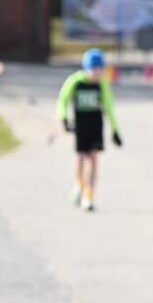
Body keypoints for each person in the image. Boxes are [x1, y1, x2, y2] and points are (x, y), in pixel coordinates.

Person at [56, 48, 122, 212]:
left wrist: (115, 130)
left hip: (95, 125)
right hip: (80, 125)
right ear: (86, 68)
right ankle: (79, 183)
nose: (96, 73)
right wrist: (63, 118)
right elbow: (62, 100)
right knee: (79, 157)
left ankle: (89, 195)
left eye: (100, 70)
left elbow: (109, 107)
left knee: (93, 159)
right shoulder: (75, 81)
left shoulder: (102, 84)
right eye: (93, 69)